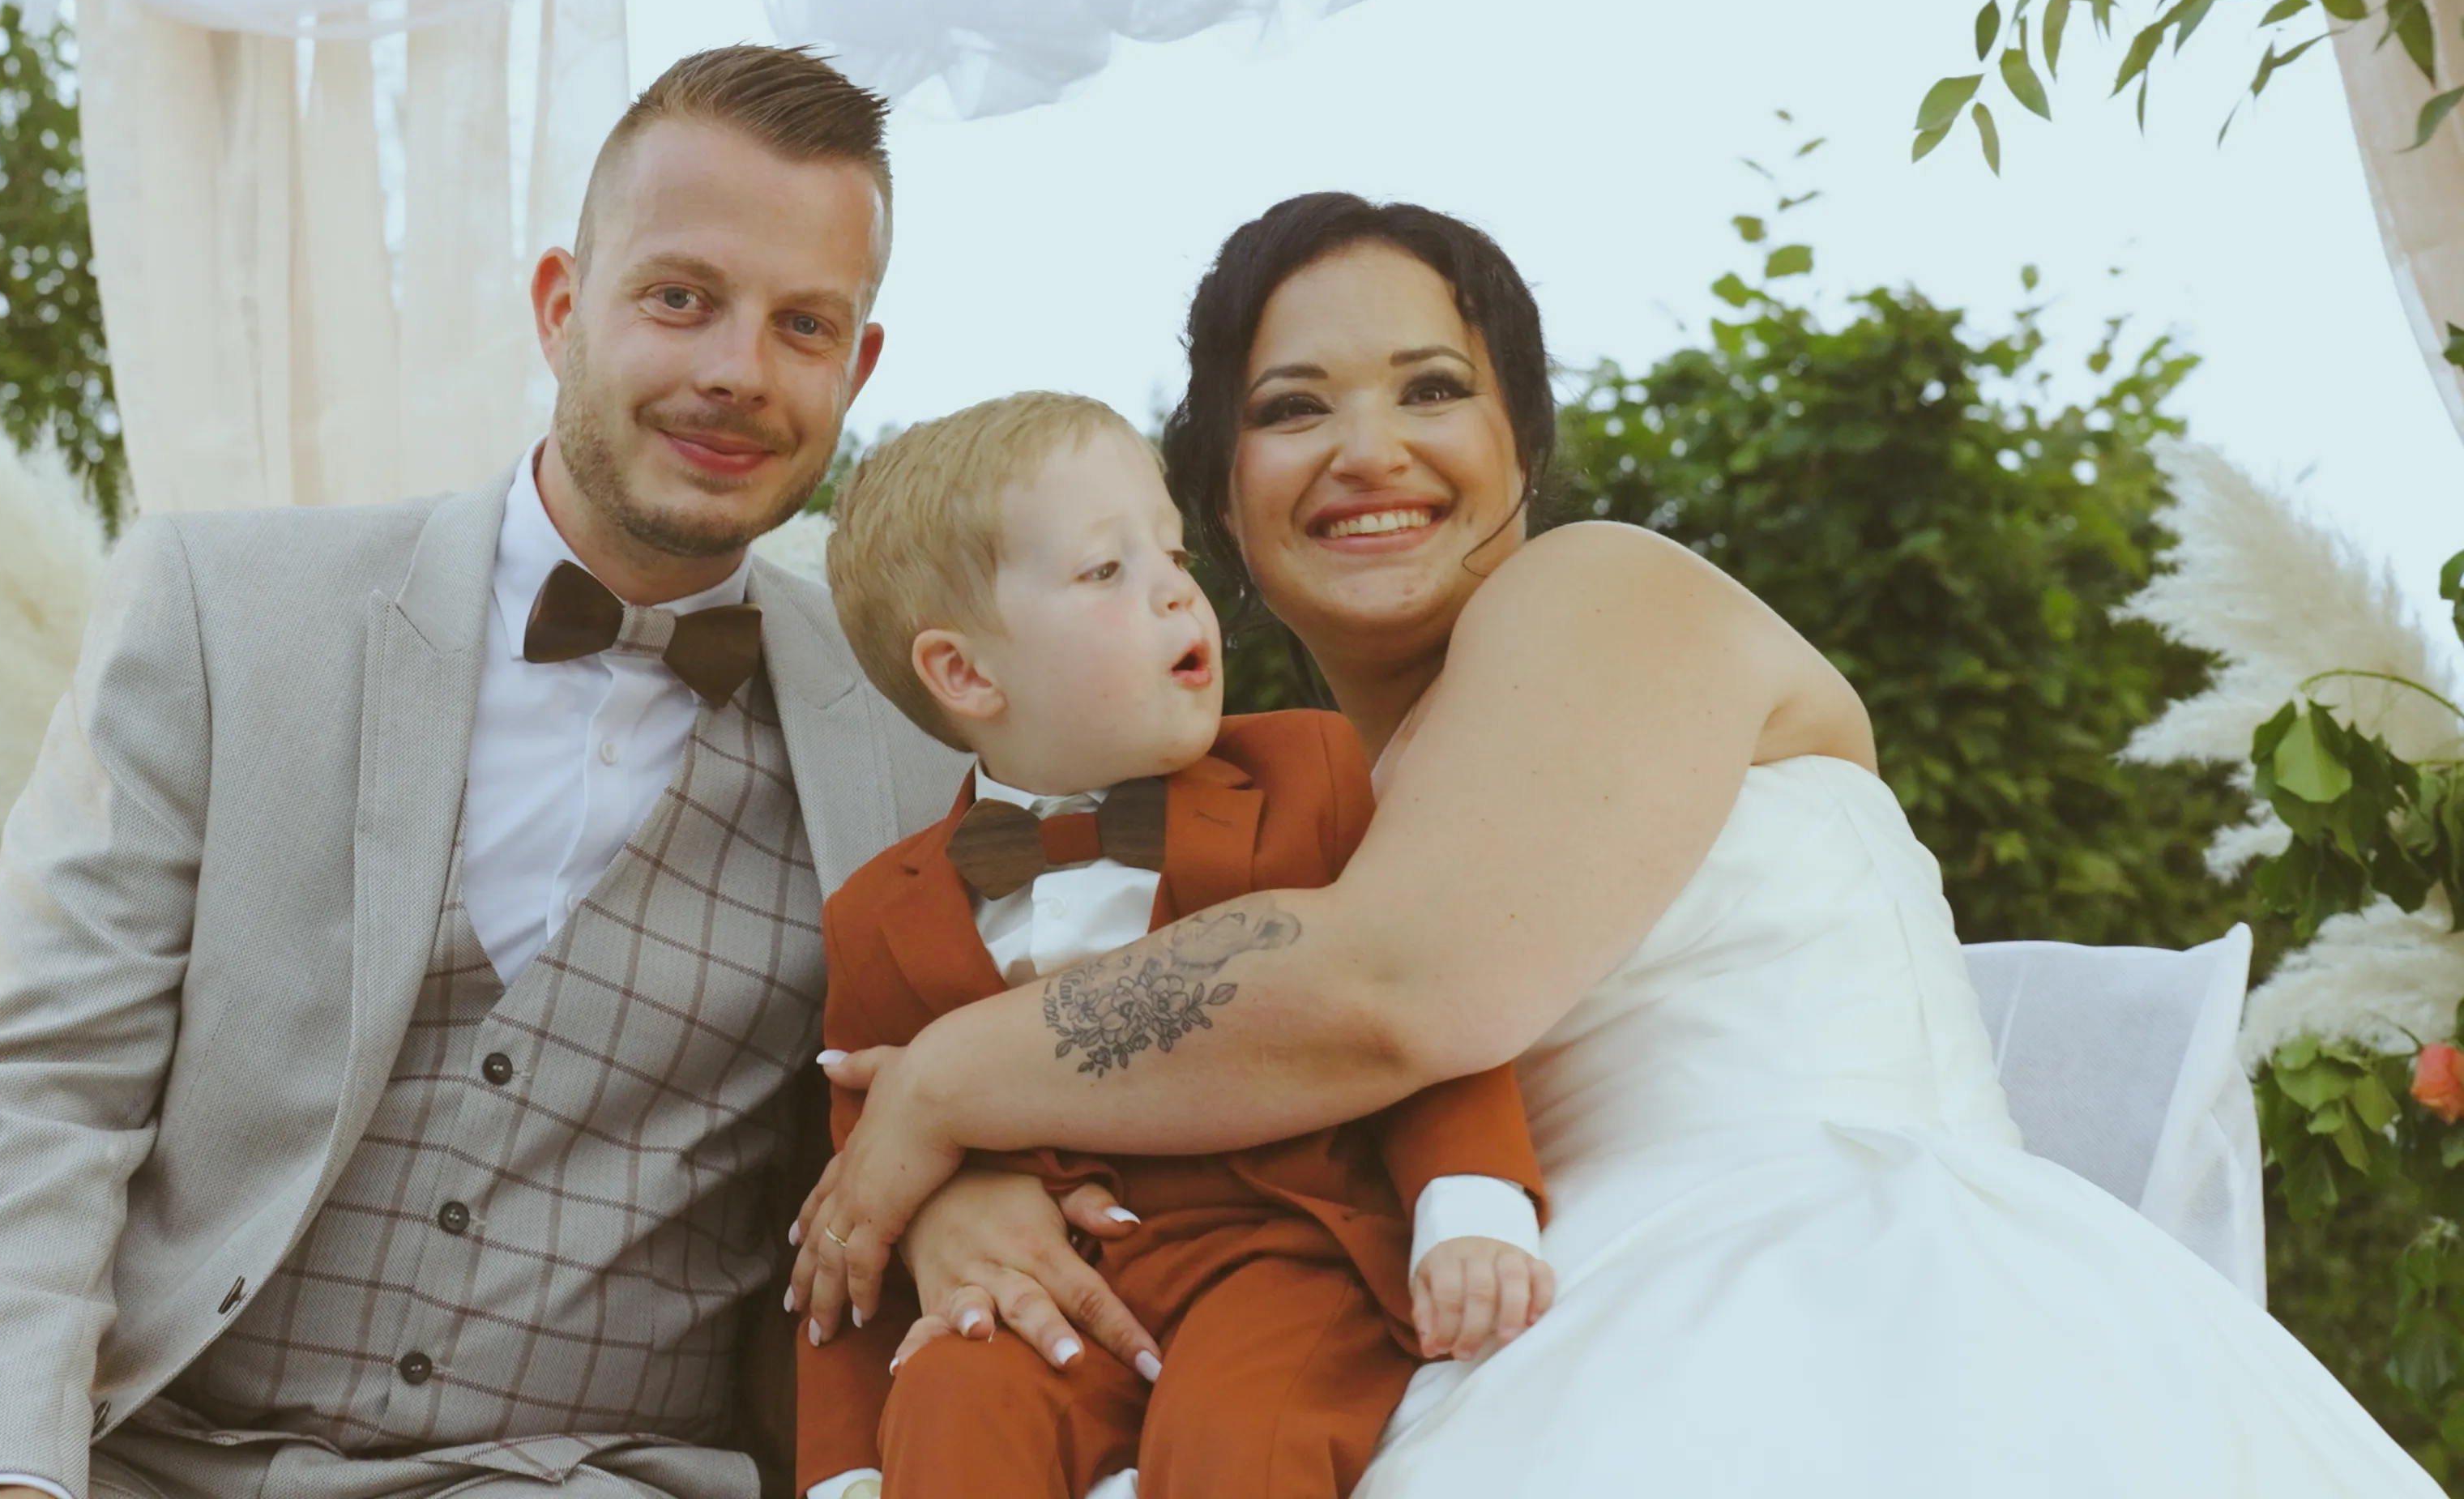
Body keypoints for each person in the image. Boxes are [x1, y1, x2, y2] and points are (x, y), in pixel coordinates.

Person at [789, 193, 2441, 1493]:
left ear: (1522, 449)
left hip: (1848, 1314)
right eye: (1296, 407)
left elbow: (1394, 991)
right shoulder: (1303, 799)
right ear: (1220, 500)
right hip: (1502, 1349)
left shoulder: (1600, 595)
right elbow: (1279, 1127)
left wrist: (939, 1090)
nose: (1372, 447)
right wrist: (969, 1193)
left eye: (1434, 390)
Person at [0, 45, 963, 1499]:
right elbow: (41, 1090)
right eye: (681, 298)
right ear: (562, 307)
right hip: (157, 1460)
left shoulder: (912, 733)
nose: (735, 373)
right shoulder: (227, 614)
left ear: (859, 368)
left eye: (804, 325)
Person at [795, 392, 1548, 1499]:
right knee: (954, 1404)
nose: (1174, 587)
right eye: (1106, 572)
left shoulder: (1315, 775)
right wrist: (845, 1469)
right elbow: (853, 1221)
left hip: (1282, 1250)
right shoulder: (877, 917)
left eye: (1173, 551)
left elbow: (1412, 1000)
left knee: (1237, 1447)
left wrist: (1472, 1204)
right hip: (1041, 1285)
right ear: (965, 674)